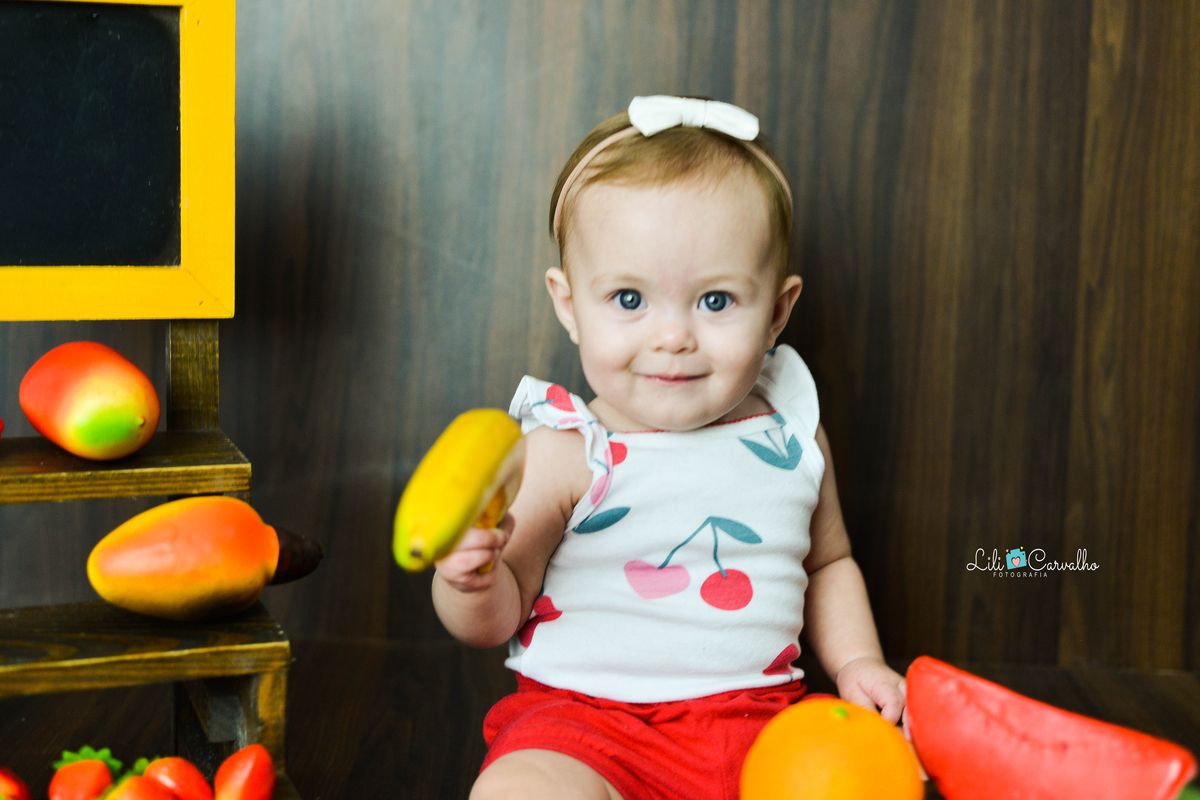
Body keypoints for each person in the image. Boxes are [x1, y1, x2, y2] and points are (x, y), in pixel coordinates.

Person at [432, 96, 910, 800]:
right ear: (570, 306)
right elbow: (500, 617)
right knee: (523, 790)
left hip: (759, 724)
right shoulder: (567, 451)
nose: (672, 338)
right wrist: (468, 580)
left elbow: (829, 562)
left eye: (715, 301)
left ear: (777, 312)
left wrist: (858, 662)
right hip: (588, 727)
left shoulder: (791, 435)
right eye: (629, 300)